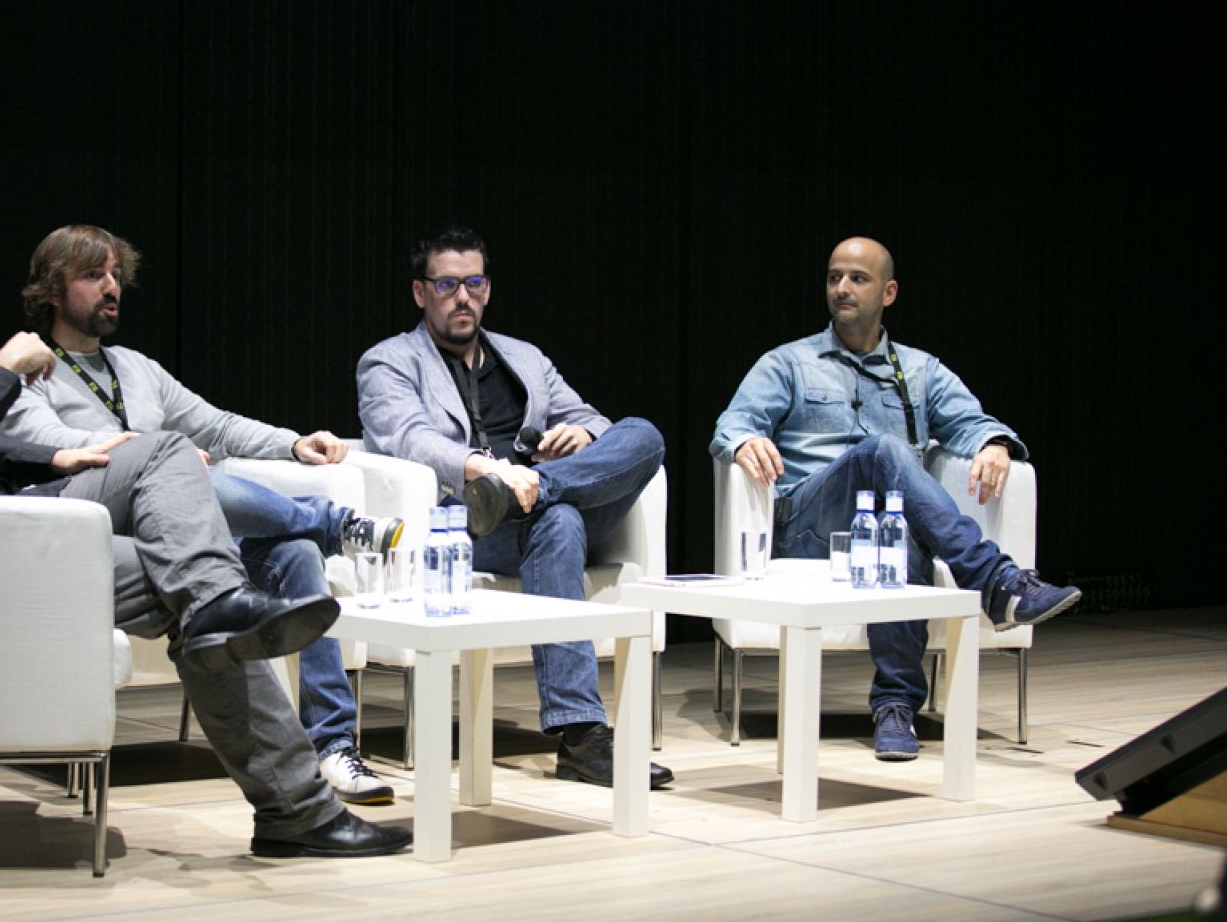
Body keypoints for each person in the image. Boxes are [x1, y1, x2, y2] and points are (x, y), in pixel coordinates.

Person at [0, 208, 410, 858]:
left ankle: (290, 797)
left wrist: (293, 444)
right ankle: (292, 790)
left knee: (191, 553)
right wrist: (4, 375)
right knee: (173, 482)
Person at [1, 224, 401, 804]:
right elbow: (46, 439)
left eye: (116, 274)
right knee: (182, 465)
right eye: (93, 276)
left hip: (183, 534)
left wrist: (292, 442)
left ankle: (332, 744)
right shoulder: (31, 368)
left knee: (295, 555)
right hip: (99, 526)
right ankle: (333, 521)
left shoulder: (137, 367)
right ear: (52, 292)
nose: (111, 287)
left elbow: (217, 423)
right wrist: (154, 450)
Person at [710, 235, 1082, 760]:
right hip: (810, 524)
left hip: (879, 524)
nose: (842, 288)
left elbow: (972, 423)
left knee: (899, 533)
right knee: (880, 449)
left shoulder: (921, 370)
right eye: (834, 277)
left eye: (857, 279)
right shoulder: (788, 363)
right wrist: (746, 438)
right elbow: (732, 423)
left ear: (888, 293)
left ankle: (896, 708)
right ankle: (995, 579)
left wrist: (995, 443)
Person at [357, 222, 673, 789]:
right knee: (558, 522)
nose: (463, 297)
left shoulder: (524, 358)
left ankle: (540, 488)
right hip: (466, 527)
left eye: (474, 283)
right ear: (420, 292)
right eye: (448, 284)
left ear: (487, 288)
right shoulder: (389, 362)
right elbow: (408, 439)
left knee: (642, 435)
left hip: (537, 494)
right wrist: (488, 471)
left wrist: (584, 438)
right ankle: (582, 737)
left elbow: (588, 415)